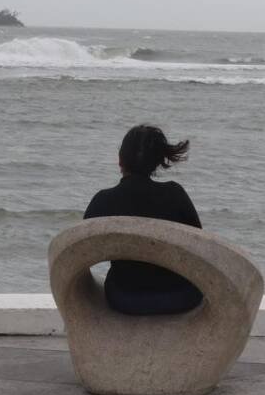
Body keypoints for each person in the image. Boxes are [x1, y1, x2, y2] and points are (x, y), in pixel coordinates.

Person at [83, 124, 204, 315]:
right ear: (157, 162)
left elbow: (82, 251)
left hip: (125, 299)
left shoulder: (103, 200)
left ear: (120, 160)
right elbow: (198, 246)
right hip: (179, 297)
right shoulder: (175, 195)